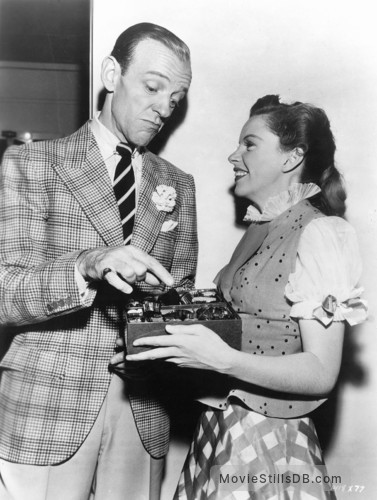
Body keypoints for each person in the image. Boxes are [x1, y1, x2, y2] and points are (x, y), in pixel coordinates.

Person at [126, 95, 367, 499]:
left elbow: (322, 372)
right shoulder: (262, 224)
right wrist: (160, 351)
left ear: (292, 158)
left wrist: (221, 359)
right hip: (221, 428)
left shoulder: (322, 233)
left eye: (249, 144)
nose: (233, 155)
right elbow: (245, 331)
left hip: (271, 440)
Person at [0, 22, 197, 500]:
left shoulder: (179, 184)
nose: (163, 109)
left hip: (143, 408)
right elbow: (6, 294)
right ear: (112, 73)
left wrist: (158, 343)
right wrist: (86, 264)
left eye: (175, 99)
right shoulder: (31, 164)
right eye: (153, 87)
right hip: (46, 407)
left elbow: (183, 294)